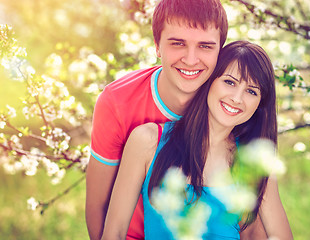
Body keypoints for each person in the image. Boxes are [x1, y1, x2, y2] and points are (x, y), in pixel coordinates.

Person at [101, 41, 293, 240]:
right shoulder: (148, 141)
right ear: (210, 81)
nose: (237, 98)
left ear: (260, 105)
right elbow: (114, 233)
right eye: (230, 82)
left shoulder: (254, 163)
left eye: (252, 91)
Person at [86, 0, 228, 239]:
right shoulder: (117, 103)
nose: (191, 59)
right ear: (157, 46)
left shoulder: (230, 103)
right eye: (178, 43)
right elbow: (98, 205)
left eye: (205, 46)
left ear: (219, 51)